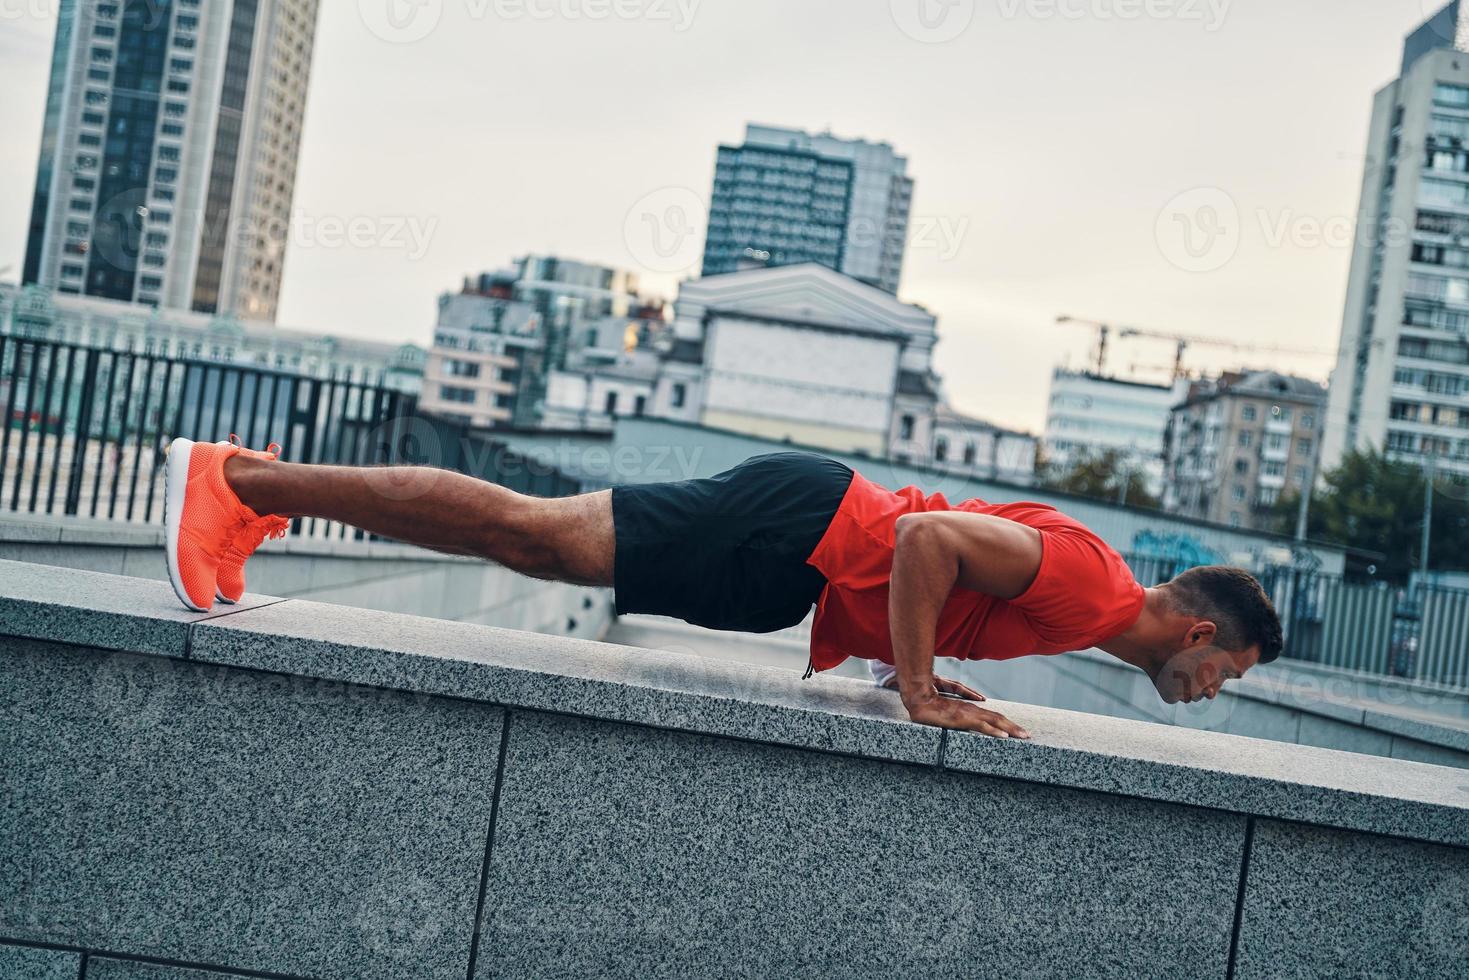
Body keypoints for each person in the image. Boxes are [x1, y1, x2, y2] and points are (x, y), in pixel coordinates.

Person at [161, 438, 1283, 738]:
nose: (1207, 688)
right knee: (529, 532)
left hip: (792, 551)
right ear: (1197, 629)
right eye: (1221, 671)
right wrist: (917, 690)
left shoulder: (1086, 602)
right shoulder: (1095, 590)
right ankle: (239, 477)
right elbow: (933, 540)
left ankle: (256, 493)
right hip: (798, 527)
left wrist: (919, 658)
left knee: (530, 541)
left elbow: (945, 569)